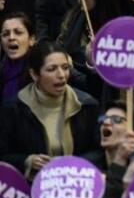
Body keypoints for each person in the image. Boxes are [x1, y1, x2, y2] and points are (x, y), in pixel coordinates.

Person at [0, 40, 102, 178]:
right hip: (33, 188)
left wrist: (73, 164)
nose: (61, 75)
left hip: (78, 185)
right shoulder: (13, 108)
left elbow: (101, 151)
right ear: (35, 74)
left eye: (65, 67)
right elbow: (4, 155)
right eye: (51, 69)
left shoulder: (87, 105)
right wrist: (27, 161)